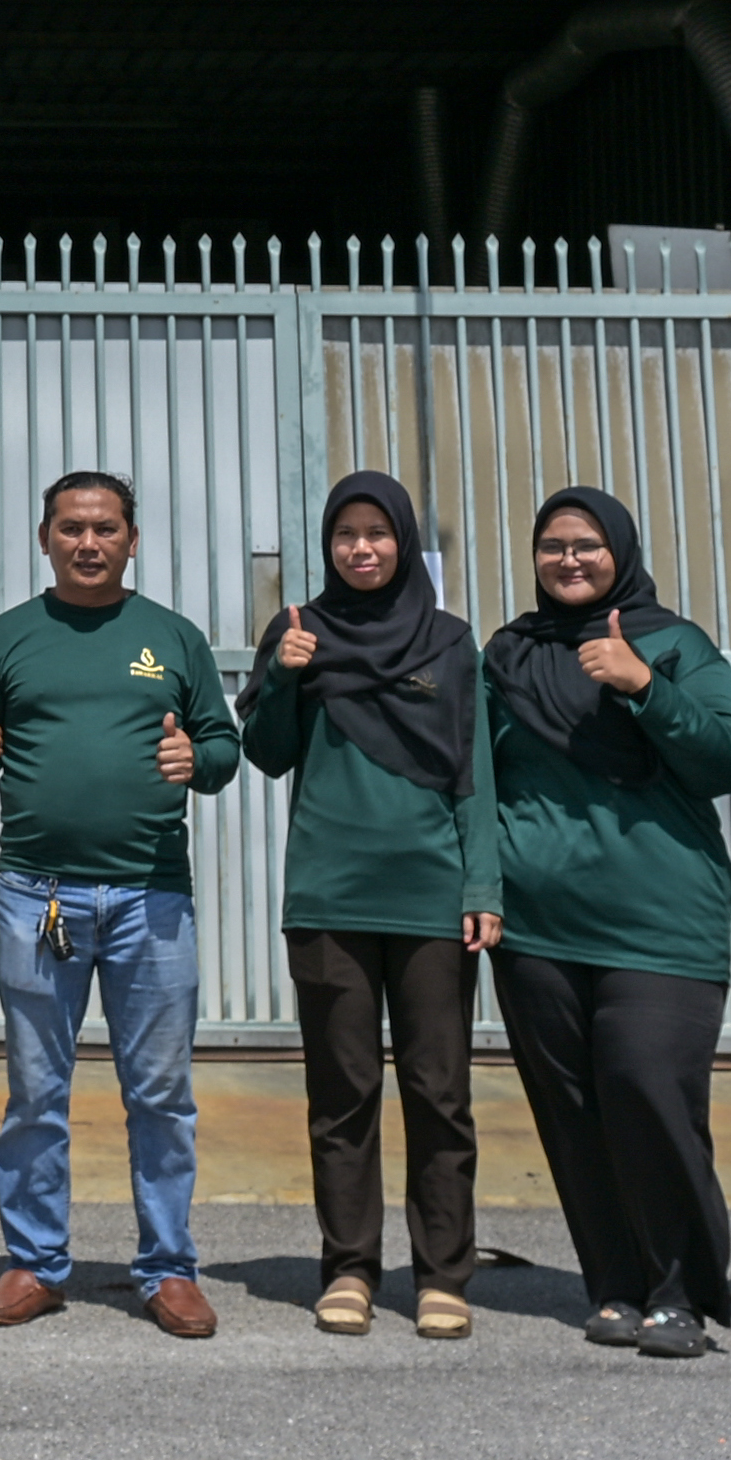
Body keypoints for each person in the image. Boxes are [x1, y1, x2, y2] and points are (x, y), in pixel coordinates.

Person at [0, 470, 240, 1338]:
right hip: (36, 894)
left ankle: (166, 1267)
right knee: (36, 1090)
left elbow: (224, 744)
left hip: (150, 897)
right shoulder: (6, 637)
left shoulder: (172, 637)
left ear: (132, 538)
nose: (88, 542)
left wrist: (202, 759)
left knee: (159, 1092)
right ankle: (35, 1262)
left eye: (105, 528)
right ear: (44, 537)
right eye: (72, 528)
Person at [482, 484, 731, 1360]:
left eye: (587, 544)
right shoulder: (509, 653)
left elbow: (722, 758)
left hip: (657, 920)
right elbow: (473, 779)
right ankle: (612, 1284)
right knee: (570, 1109)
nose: (569, 559)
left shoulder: (673, 643)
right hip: (536, 927)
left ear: (621, 552)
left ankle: (682, 1290)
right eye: (553, 544)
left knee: (648, 1091)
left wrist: (641, 686)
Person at [239, 471, 497, 1343]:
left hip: (428, 900)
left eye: (376, 533)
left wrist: (481, 885)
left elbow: (474, 774)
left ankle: (442, 1273)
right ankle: (348, 1265)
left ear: (401, 541)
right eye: (345, 534)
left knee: (439, 1092)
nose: (360, 548)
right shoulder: (299, 630)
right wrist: (280, 676)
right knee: (341, 1092)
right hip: (328, 895)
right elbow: (266, 754)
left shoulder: (452, 641)